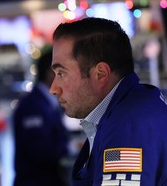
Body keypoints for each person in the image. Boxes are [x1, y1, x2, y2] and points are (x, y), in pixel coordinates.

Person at [50, 17, 167, 186]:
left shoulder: (127, 128)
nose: (53, 88)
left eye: (61, 73)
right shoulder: (129, 111)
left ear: (100, 74)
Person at [13, 46, 71, 186]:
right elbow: (41, 151)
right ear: (51, 73)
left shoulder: (47, 102)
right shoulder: (32, 106)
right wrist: (70, 148)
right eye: (63, 72)